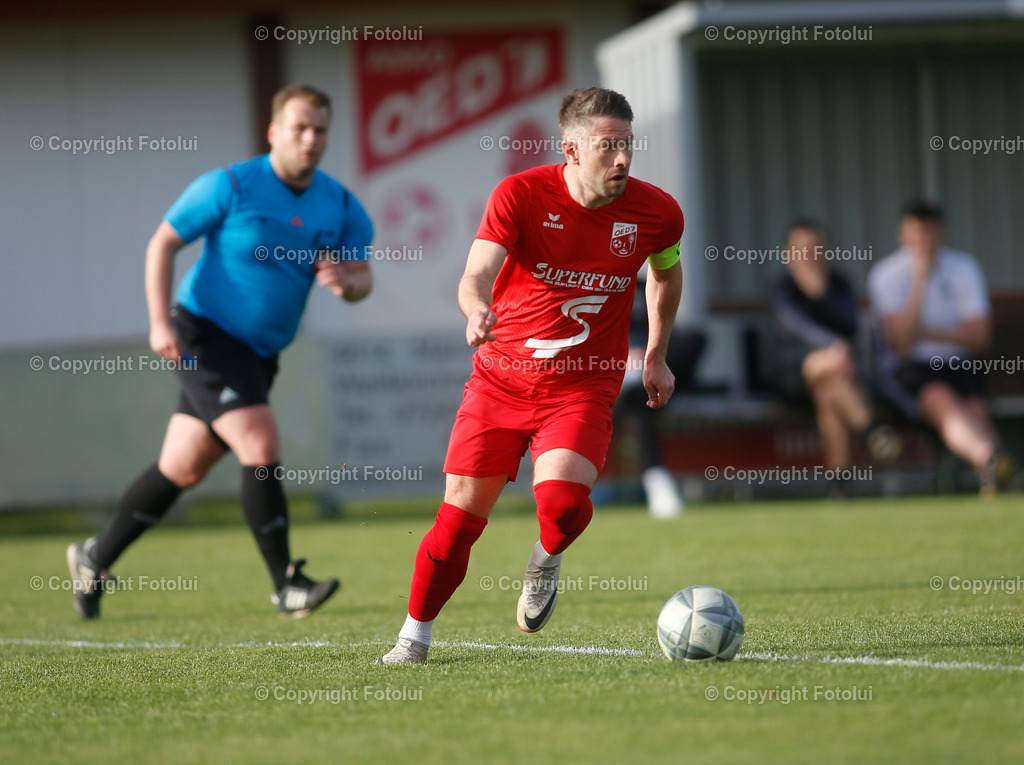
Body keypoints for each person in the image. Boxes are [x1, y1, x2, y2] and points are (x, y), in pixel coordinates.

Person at [377, 87, 684, 665]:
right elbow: (476, 275)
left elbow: (665, 276)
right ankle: (413, 636)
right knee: (458, 524)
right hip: (500, 383)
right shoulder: (520, 194)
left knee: (564, 508)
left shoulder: (657, 212)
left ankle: (545, 558)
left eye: (627, 145)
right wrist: (475, 309)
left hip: (582, 386)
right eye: (606, 146)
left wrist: (658, 354)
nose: (621, 159)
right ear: (570, 149)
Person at [66, 84, 374, 619]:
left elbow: (364, 277)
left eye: (320, 129)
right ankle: (287, 585)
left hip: (259, 355)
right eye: (299, 128)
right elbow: (162, 243)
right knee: (260, 441)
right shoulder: (230, 185)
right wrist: (160, 321)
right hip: (202, 335)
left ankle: (94, 556)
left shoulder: (340, 203)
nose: (310, 139)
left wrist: (346, 282)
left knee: (181, 468)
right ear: (274, 132)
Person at [868, 199, 1011, 495]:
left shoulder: (964, 268)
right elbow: (901, 343)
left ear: (941, 233)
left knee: (974, 408)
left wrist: (926, 331)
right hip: (910, 370)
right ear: (902, 235)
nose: (924, 241)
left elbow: (980, 338)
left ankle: (993, 474)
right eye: (916, 233)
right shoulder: (886, 276)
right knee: (942, 399)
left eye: (930, 232)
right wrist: (920, 281)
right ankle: (992, 459)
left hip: (959, 363)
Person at [770, 219, 901, 496]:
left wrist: (821, 295)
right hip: (793, 375)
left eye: (816, 249)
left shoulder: (840, 284)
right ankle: (872, 430)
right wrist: (833, 347)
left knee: (828, 393)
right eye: (802, 250)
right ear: (788, 255)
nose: (810, 256)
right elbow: (793, 326)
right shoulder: (781, 288)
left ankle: (840, 483)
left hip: (840, 377)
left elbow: (851, 323)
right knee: (827, 366)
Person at [617, 277, 706, 518]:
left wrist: (651, 355)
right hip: (611, 369)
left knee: (695, 338)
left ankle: (651, 375)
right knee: (642, 400)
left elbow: (667, 327)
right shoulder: (592, 286)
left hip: (653, 366)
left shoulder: (648, 284)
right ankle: (657, 481)